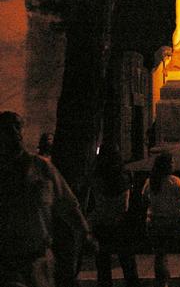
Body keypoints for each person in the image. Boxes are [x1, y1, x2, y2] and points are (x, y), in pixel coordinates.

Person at [0, 111, 96, 287]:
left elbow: (68, 205)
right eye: (7, 129)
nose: (15, 133)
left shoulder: (41, 168)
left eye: (17, 127)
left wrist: (85, 233)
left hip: (38, 263)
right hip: (7, 267)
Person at [142, 152, 180, 287]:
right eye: (172, 162)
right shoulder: (174, 180)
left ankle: (162, 282)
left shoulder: (150, 181)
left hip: (154, 221)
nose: (174, 164)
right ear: (167, 165)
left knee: (160, 254)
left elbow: (144, 200)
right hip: (173, 220)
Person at [90, 143, 139, 287]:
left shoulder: (96, 176)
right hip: (120, 222)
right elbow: (125, 205)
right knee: (127, 261)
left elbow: (95, 200)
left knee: (103, 263)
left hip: (101, 222)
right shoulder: (124, 176)